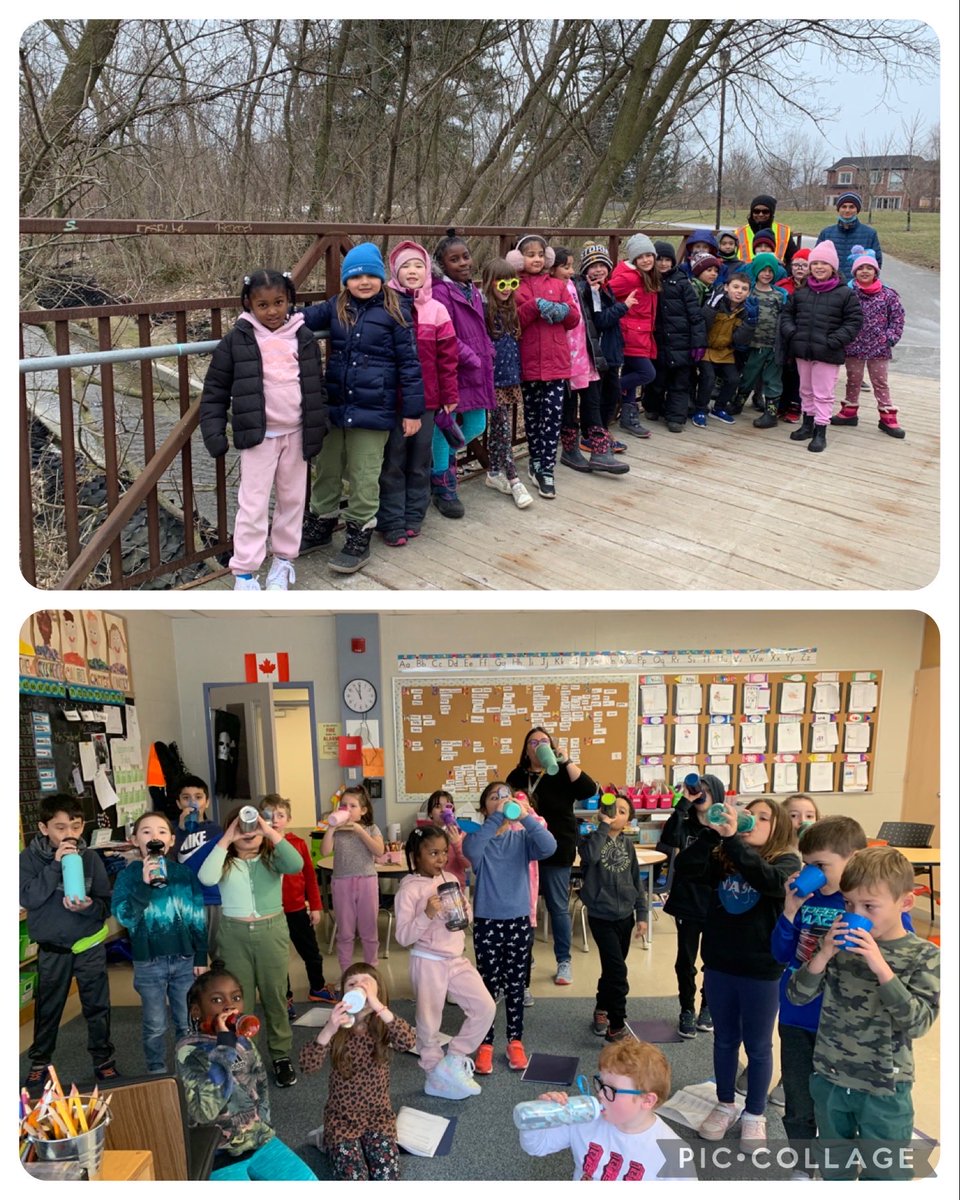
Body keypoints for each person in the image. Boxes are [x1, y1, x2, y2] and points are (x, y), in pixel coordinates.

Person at [786, 846, 939, 1180]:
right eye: (849, 904)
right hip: (829, 1079)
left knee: (885, 1174)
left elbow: (918, 1023)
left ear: (906, 903)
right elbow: (796, 996)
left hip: (884, 1087)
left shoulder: (923, 955)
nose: (857, 914)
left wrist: (882, 968)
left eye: (870, 906)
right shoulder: (838, 944)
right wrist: (823, 954)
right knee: (834, 1168)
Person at [771, 817, 911, 1178]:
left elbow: (899, 960)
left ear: (855, 858)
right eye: (807, 865)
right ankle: (803, 1168)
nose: (811, 873)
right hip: (796, 1015)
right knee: (799, 1100)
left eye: (821, 866)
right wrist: (788, 910)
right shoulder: (806, 899)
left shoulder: (873, 908)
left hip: (844, 1027)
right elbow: (780, 954)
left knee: (841, 1107)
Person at [674, 796, 801, 1152]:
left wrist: (732, 841)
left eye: (763, 818)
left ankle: (754, 1113)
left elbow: (769, 881)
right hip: (721, 965)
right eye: (749, 815)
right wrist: (713, 836)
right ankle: (725, 1102)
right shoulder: (723, 855)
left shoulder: (787, 861)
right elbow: (685, 868)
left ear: (779, 828)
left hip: (762, 969)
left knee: (758, 1046)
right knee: (725, 1040)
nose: (753, 822)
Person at [199, 269, 329, 591]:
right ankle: (244, 572)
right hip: (259, 437)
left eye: (279, 302)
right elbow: (215, 389)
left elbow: (316, 386)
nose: (272, 311)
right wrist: (214, 431)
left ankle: (283, 562)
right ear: (248, 304)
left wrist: (319, 423)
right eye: (263, 305)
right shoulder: (237, 340)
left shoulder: (303, 337)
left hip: (297, 434)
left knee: (292, 500)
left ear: (289, 301)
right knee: (253, 504)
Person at [300, 243, 424, 573]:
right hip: (338, 405)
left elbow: (410, 364)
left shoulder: (396, 310)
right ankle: (321, 524)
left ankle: (358, 533)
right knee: (326, 467)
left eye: (372, 275)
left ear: (382, 278)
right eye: (356, 276)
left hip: (374, 410)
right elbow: (303, 318)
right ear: (346, 281)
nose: (364, 281)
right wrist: (272, 316)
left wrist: (412, 411)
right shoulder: (337, 305)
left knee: (364, 473)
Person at [176, 961, 317, 1179]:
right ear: (196, 1011)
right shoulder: (188, 1052)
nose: (229, 1006)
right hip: (216, 1153)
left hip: (258, 1141)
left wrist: (263, 1128)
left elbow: (259, 1085)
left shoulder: (244, 1042)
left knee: (307, 1180)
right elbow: (204, 1112)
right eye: (217, 1000)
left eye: (236, 998)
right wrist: (224, 1048)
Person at [197, 804, 303, 1087]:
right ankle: (243, 1056)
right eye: (241, 826)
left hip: (272, 932)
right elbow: (206, 878)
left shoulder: (273, 859)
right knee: (238, 1001)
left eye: (254, 826)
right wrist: (226, 838)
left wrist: (268, 830)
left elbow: (296, 864)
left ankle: (281, 1055)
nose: (248, 831)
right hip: (233, 934)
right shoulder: (224, 860)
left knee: (275, 995)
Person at [20, 794, 118, 1092]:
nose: (70, 835)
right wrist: (55, 864)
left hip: (88, 945)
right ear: (43, 827)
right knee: (49, 1009)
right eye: (60, 827)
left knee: (97, 1006)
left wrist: (87, 907)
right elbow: (28, 898)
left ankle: (103, 1059)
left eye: (75, 827)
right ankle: (40, 1063)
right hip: (53, 949)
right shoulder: (28, 859)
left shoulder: (90, 858)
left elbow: (105, 904)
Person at [394, 826, 496, 1099]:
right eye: (433, 853)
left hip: (456, 958)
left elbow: (466, 919)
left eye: (443, 852)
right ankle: (433, 1076)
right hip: (427, 960)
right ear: (416, 856)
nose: (440, 858)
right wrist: (427, 913)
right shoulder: (409, 890)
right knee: (428, 1024)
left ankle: (453, 1059)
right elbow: (403, 936)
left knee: (485, 1006)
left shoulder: (450, 877)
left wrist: (464, 908)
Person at [462, 782, 557, 1073]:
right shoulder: (478, 838)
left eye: (506, 796)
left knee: (516, 984)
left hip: (518, 920)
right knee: (488, 986)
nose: (502, 801)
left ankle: (515, 1041)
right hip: (487, 921)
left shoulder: (523, 839)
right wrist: (497, 818)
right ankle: (486, 1043)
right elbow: (471, 850)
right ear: (484, 809)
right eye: (494, 797)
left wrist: (525, 815)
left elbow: (549, 846)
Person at [299, 963, 416, 1180]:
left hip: (378, 1117)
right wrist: (329, 1029)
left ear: (378, 992)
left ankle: (340, 1143)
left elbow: (408, 1042)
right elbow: (307, 1066)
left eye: (367, 985)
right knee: (353, 1177)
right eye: (352, 984)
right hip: (341, 1119)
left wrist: (379, 1007)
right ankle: (328, 1139)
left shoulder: (383, 1023)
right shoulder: (337, 1025)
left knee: (387, 1175)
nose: (359, 988)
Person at [377, 240, 460, 545]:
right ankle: (391, 520)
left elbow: (448, 358)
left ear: (428, 271)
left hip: (428, 400)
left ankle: (414, 515)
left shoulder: (436, 310)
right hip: (392, 400)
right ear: (395, 271)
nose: (412, 271)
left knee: (419, 460)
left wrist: (450, 394)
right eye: (406, 266)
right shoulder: (383, 303)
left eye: (418, 266)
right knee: (393, 460)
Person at [111, 811, 207, 1073]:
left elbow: (197, 916)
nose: (155, 836)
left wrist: (201, 955)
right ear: (134, 840)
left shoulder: (183, 874)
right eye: (146, 832)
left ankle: (189, 1069)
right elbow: (125, 916)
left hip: (184, 960)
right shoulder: (128, 877)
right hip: (148, 962)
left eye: (162, 831)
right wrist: (144, 885)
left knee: (186, 1020)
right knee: (155, 1024)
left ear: (172, 840)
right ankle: (157, 1072)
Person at [518, 1039, 695, 1180]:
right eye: (600, 1084)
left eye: (611, 1089)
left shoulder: (673, 1152)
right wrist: (540, 1118)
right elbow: (537, 1147)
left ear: (647, 1100)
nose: (600, 1094)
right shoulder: (585, 1118)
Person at [506, 726, 598, 985]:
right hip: (524, 850)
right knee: (525, 907)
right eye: (532, 742)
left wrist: (565, 759)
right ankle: (525, 957)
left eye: (543, 741)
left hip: (558, 847)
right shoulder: (516, 775)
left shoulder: (561, 774)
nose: (538, 745)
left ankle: (563, 961)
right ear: (526, 749)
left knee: (558, 906)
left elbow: (589, 790)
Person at [508, 233, 581, 499]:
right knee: (533, 417)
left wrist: (562, 311)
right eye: (530, 254)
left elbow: (573, 318)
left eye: (540, 254)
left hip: (557, 364)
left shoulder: (558, 284)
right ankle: (535, 461)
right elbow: (514, 321)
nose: (536, 259)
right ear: (519, 258)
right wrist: (534, 306)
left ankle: (546, 469)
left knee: (551, 418)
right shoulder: (515, 286)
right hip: (528, 364)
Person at [430, 230, 497, 517]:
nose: (463, 263)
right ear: (442, 266)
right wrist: (471, 357)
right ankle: (442, 480)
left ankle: (443, 462)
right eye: (454, 260)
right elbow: (443, 334)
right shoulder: (440, 293)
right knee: (443, 423)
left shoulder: (472, 289)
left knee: (477, 424)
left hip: (477, 368)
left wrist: (488, 352)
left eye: (466, 257)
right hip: (455, 368)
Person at [657, 775, 726, 1039]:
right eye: (699, 790)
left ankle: (707, 1006)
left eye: (707, 790)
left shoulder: (724, 826)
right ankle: (686, 1008)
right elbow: (668, 839)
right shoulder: (685, 824)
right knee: (685, 960)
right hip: (687, 900)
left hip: (717, 902)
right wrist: (683, 803)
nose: (702, 794)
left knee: (713, 959)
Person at [780, 240, 863, 454]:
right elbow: (788, 314)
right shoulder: (802, 292)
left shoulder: (845, 294)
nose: (818, 267)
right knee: (805, 390)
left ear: (833, 267)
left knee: (823, 393)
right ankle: (807, 424)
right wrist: (792, 333)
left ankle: (820, 430)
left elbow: (854, 322)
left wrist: (834, 341)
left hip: (827, 352)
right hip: (803, 350)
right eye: (814, 263)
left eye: (823, 264)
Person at [579, 793, 648, 1043]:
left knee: (612, 968)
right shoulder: (590, 839)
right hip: (601, 915)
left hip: (625, 916)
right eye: (612, 809)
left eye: (622, 811)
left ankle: (602, 1008)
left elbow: (635, 880)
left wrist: (641, 914)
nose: (615, 813)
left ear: (628, 819)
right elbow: (591, 857)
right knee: (618, 971)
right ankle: (616, 1026)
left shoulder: (628, 845)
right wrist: (603, 826)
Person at [552, 247, 627, 474]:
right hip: (564, 357)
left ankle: (600, 450)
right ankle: (570, 450)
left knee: (592, 401)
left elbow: (594, 309)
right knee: (569, 404)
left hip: (586, 354)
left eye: (572, 266)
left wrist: (593, 288)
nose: (571, 271)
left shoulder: (578, 285)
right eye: (566, 267)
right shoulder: (550, 288)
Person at [260, 795, 338, 1012]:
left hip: (297, 910)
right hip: (271, 914)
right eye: (269, 815)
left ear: (289, 818)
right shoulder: (258, 845)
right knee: (278, 958)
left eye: (281, 815)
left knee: (311, 952)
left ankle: (318, 987)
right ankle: (284, 997)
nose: (275, 820)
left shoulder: (298, 844)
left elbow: (310, 878)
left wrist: (315, 906)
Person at [831, 253, 907, 438]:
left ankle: (887, 416)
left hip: (879, 348)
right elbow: (840, 316)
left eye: (869, 268)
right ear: (854, 273)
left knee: (880, 382)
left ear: (876, 271)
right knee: (853, 380)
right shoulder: (849, 294)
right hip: (854, 346)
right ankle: (849, 412)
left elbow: (898, 318)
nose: (865, 271)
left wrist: (889, 338)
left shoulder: (888, 295)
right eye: (860, 269)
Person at [480, 257, 534, 507]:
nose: (506, 288)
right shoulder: (483, 311)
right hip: (491, 379)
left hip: (510, 377)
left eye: (511, 282)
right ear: (490, 283)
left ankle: (493, 472)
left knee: (500, 427)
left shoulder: (511, 310)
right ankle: (513, 478)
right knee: (501, 427)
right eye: (500, 283)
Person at [320, 783, 385, 971]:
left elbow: (379, 851)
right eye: (343, 805)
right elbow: (325, 852)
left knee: (369, 931)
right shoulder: (337, 831)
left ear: (363, 810)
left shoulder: (371, 828)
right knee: (345, 932)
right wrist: (331, 828)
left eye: (352, 806)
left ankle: (372, 970)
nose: (347, 810)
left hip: (367, 882)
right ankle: (345, 971)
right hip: (342, 883)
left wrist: (359, 830)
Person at [645, 241, 706, 433]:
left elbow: (696, 316)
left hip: (681, 341)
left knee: (680, 383)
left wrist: (698, 343)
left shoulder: (682, 283)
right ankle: (653, 407)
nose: (663, 264)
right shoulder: (649, 281)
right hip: (659, 341)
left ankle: (676, 417)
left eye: (667, 260)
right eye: (659, 260)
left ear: (673, 261)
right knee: (657, 380)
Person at [578, 243, 632, 449]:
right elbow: (600, 320)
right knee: (596, 397)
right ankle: (591, 435)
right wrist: (623, 306)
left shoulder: (605, 288)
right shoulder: (589, 291)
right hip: (598, 354)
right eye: (593, 266)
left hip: (611, 351)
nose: (598, 269)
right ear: (585, 270)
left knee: (612, 394)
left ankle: (602, 432)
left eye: (602, 264)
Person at [608, 233, 660, 439]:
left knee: (633, 374)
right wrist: (621, 309)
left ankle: (628, 418)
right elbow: (606, 291)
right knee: (647, 373)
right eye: (641, 256)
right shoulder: (629, 278)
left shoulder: (648, 275)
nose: (646, 260)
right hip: (629, 335)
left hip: (642, 334)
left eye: (649, 255)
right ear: (633, 259)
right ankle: (610, 390)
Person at [693, 272, 757, 427]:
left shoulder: (745, 311)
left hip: (725, 351)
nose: (739, 291)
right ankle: (700, 409)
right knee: (708, 377)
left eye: (744, 289)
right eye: (735, 287)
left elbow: (740, 339)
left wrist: (751, 323)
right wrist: (711, 306)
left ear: (748, 293)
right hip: (706, 349)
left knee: (734, 379)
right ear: (726, 287)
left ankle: (719, 408)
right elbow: (703, 324)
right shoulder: (716, 303)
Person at [737, 252, 789, 429]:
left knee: (772, 379)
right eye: (763, 270)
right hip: (753, 345)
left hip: (773, 346)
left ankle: (771, 413)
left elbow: (784, 319)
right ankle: (738, 403)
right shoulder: (748, 293)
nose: (767, 274)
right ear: (756, 270)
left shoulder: (779, 295)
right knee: (748, 376)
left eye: (770, 270)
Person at [172, 774, 223, 955]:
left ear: (207, 802)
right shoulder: (171, 831)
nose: (192, 803)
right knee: (190, 958)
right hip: (185, 902)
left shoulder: (217, 831)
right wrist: (179, 830)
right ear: (179, 804)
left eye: (198, 797)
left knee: (220, 955)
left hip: (214, 899)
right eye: (186, 798)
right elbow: (168, 861)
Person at [776, 248, 811, 422]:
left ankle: (796, 405)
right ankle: (781, 403)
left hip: (805, 335)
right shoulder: (783, 285)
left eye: (804, 265)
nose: (799, 268)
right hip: (785, 334)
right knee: (785, 371)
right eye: (796, 264)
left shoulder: (813, 286)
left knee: (800, 374)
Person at [815, 192, 883, 283]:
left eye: (851, 207)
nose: (847, 210)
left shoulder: (870, 234)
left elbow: (876, 263)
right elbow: (816, 260)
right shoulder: (826, 233)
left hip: (858, 287)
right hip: (831, 285)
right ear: (838, 209)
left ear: (857, 210)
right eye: (843, 206)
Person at [734, 194, 798, 264]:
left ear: (771, 213)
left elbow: (794, 259)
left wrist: (784, 271)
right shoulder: (739, 233)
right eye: (756, 211)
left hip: (776, 273)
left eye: (765, 211)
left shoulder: (783, 232)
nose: (760, 214)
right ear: (752, 213)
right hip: (746, 273)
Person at [425, 789, 471, 887]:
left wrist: (457, 843)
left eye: (447, 806)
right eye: (437, 806)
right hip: (430, 886)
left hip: (454, 886)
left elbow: (467, 864)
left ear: (452, 811)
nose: (443, 810)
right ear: (430, 813)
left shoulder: (460, 834)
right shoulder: (425, 835)